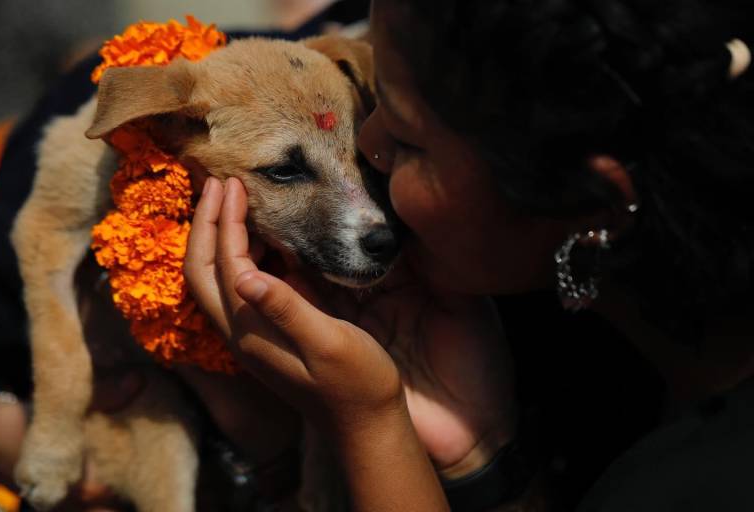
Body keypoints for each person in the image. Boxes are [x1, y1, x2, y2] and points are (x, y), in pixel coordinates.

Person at [184, 0, 754, 510]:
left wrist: (369, 424)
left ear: (593, 200)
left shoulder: (702, 483)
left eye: (407, 141)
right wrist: (478, 451)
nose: (368, 150)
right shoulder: (554, 325)